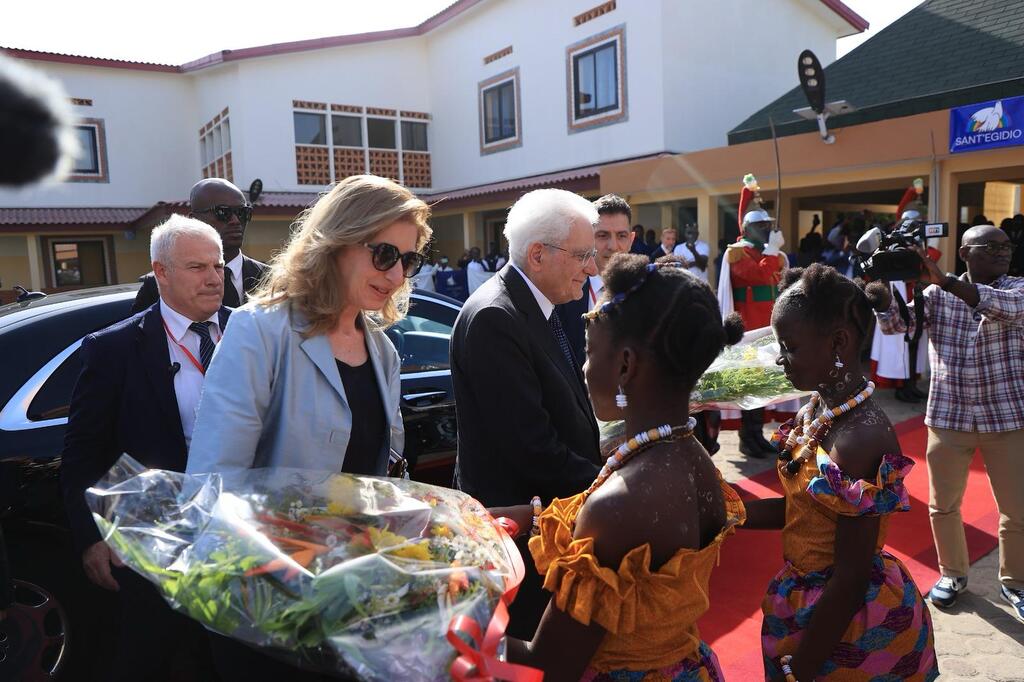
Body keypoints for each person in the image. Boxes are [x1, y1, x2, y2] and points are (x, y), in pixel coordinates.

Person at [495, 255, 746, 680]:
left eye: (589, 352)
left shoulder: (623, 503)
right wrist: (527, 517)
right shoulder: (692, 456)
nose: (585, 367)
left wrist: (443, 630)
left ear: (626, 365)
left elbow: (549, 665)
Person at [743, 263, 937, 681]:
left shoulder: (859, 440)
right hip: (810, 608)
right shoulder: (819, 408)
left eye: (789, 347)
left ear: (839, 343)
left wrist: (806, 667)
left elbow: (850, 577)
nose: (780, 359)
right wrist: (733, 512)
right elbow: (806, 511)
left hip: (845, 629)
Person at [60, 215, 229, 681]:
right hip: (153, 544)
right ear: (161, 272)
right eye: (197, 267)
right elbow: (82, 453)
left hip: (240, 535)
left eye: (217, 266)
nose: (214, 277)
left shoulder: (254, 335)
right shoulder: (113, 350)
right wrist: (90, 538)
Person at [187, 174, 429, 478]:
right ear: (336, 243)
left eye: (407, 261)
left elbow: (385, 472)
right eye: (385, 255)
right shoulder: (258, 331)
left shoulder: (383, 352)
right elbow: (214, 479)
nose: (396, 276)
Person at [451, 188, 602, 639]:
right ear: (538, 254)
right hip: (521, 539)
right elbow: (532, 449)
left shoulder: (537, 305)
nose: (593, 268)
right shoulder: (496, 317)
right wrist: (610, 484)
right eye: (583, 255)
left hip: (546, 527)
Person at [873, 224, 1024, 623]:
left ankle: (1016, 582)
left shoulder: (1017, 288)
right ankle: (953, 574)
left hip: (1006, 417)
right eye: (990, 246)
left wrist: (947, 282)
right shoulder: (934, 294)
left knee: (1017, 510)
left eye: (1006, 246)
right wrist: (882, 287)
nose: (1002, 252)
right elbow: (896, 326)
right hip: (949, 416)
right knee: (943, 506)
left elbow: (1004, 308)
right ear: (964, 252)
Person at [717, 173, 791, 459]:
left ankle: (758, 433)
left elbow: (779, 279)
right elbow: (757, 275)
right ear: (748, 227)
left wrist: (776, 252)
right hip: (749, 327)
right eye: (761, 226)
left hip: (770, 325)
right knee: (750, 383)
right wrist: (772, 251)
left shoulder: (772, 253)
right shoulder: (736, 254)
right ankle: (747, 437)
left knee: (766, 384)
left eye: (768, 226)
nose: (766, 230)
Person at [133, 179, 269, 313]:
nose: (235, 220)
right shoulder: (161, 283)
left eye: (242, 213)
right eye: (223, 212)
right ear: (194, 219)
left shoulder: (272, 278)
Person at [556, 194, 632, 363]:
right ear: (588, 238)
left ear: (631, 239)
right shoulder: (563, 296)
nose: (613, 246)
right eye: (603, 235)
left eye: (621, 236)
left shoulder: (648, 291)